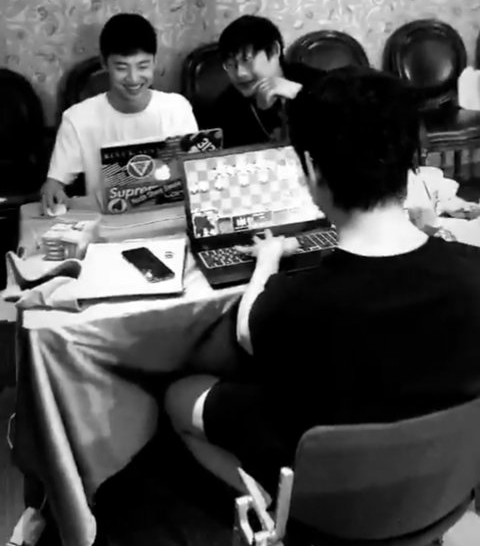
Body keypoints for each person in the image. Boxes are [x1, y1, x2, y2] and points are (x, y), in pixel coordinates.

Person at [165, 68, 480, 497]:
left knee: (180, 395)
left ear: (311, 167)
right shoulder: (471, 270)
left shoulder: (295, 302)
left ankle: (268, 509)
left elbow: (246, 332)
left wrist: (267, 260)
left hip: (322, 501)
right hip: (438, 492)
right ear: (412, 159)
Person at [41, 13, 197, 212]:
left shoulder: (177, 108)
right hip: (108, 222)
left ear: (155, 61)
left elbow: (194, 171)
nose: (133, 78)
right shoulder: (77, 118)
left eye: (143, 66)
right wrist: (52, 190)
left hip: (169, 218)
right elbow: (55, 183)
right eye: (122, 68)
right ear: (104, 64)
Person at [210, 14, 324, 147]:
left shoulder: (315, 82)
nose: (240, 73)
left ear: (274, 50)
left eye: (246, 60)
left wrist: (299, 94)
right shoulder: (225, 107)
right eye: (230, 64)